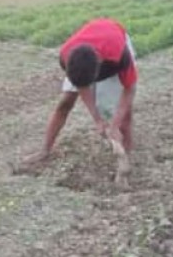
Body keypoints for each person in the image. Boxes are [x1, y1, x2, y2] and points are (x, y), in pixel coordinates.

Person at [25, 18, 137, 164]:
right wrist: (97, 119)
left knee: (124, 115)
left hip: (115, 40)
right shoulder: (66, 56)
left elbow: (130, 89)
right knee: (64, 103)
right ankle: (44, 150)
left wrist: (114, 125)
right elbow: (80, 84)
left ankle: (125, 158)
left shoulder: (120, 55)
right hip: (87, 52)